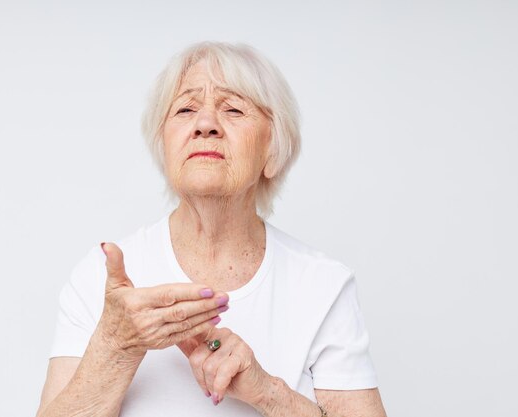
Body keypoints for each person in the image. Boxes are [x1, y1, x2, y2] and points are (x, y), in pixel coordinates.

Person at [36, 42, 387, 417]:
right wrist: (115, 345)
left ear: (273, 150)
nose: (205, 125)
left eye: (233, 109)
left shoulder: (324, 285)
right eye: (185, 109)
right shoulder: (100, 278)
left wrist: (267, 392)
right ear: (165, 146)